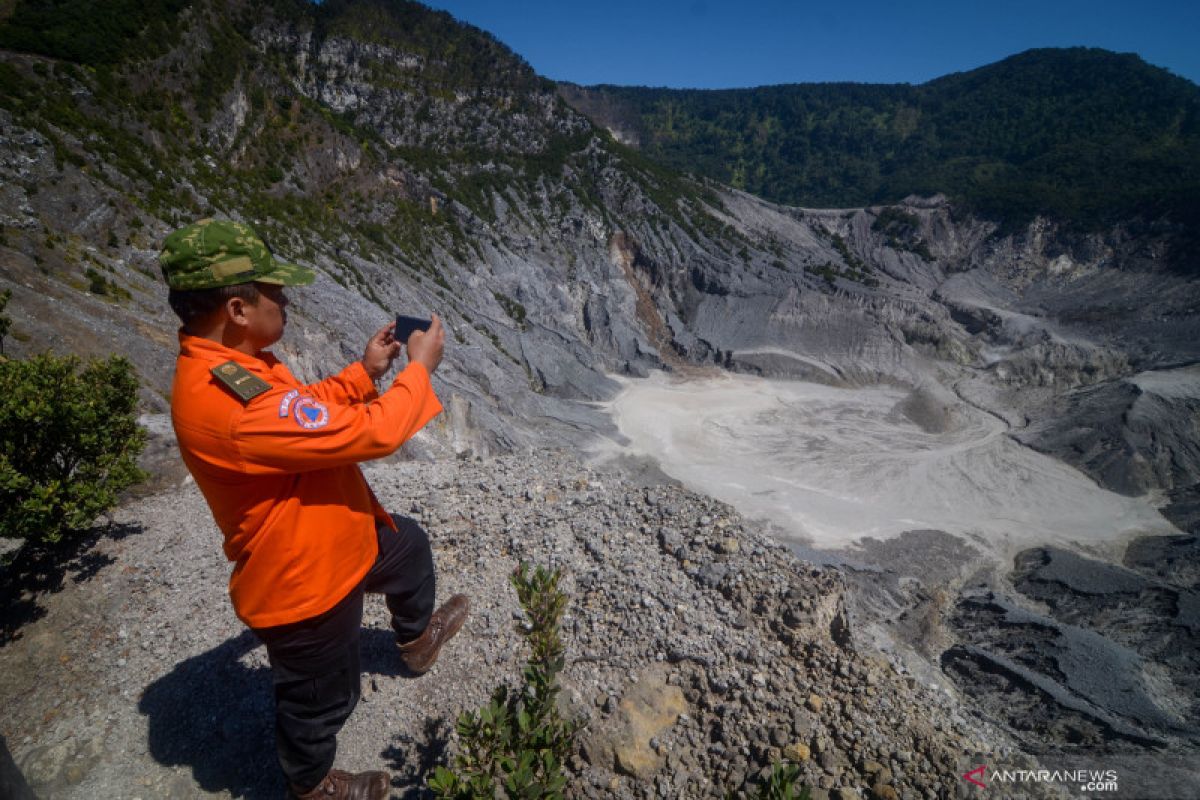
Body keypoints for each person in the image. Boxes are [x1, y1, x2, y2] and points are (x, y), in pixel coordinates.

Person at [160, 218, 468, 800]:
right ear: (237, 308)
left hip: (336, 531)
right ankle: (311, 782)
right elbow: (374, 434)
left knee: (408, 549)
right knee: (323, 696)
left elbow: (297, 410)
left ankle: (416, 640)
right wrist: (419, 369)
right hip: (303, 577)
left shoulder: (231, 365)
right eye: (274, 291)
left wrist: (364, 373)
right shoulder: (225, 400)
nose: (286, 300)